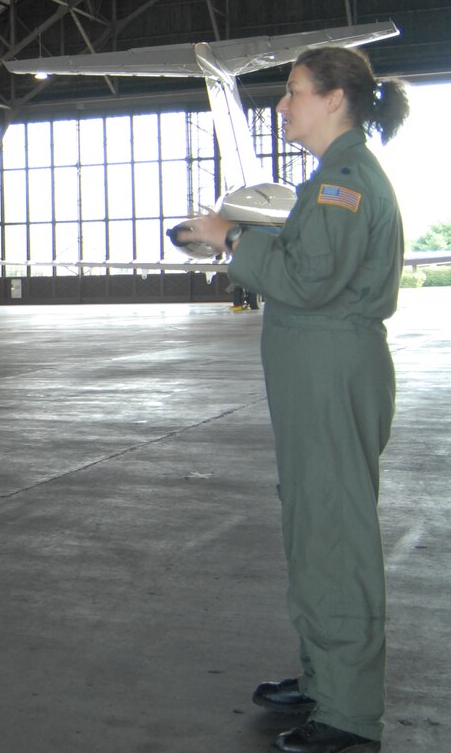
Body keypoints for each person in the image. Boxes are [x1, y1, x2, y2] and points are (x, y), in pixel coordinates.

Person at [176, 47, 408, 753]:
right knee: (313, 525)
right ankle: (323, 677)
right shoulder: (327, 182)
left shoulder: (344, 182)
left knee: (333, 534)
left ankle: (346, 714)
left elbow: (310, 280)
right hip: (317, 372)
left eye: (293, 93)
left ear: (334, 99)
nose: (282, 107)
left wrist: (231, 236)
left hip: (330, 370)